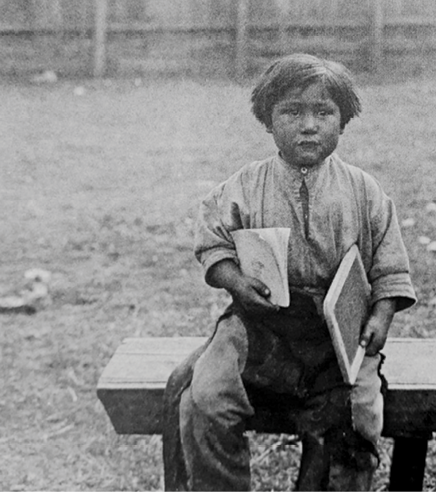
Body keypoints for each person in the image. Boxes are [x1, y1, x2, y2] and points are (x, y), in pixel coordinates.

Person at [162, 53, 416, 492]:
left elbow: (389, 267)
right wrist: (237, 283)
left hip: (335, 336)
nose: (309, 125)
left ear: (343, 121)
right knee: (203, 400)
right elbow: (213, 242)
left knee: (356, 419)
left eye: (324, 112)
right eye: (292, 111)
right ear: (267, 120)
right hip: (258, 324)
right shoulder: (245, 185)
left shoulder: (364, 191)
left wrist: (381, 316)